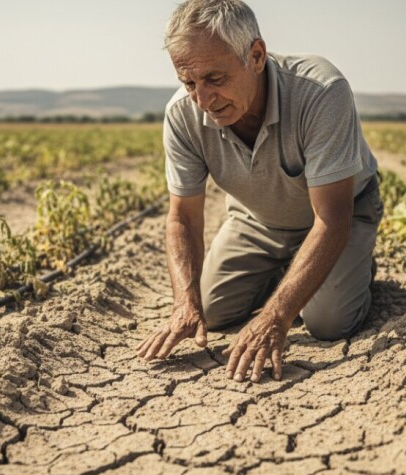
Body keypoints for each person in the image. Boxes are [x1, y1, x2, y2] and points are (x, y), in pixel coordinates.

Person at [136, 0, 382, 384]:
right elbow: (182, 216)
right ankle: (289, 273)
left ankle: (354, 269)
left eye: (214, 79)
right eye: (188, 82)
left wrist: (276, 317)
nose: (202, 100)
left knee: (329, 322)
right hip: (257, 220)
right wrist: (184, 302)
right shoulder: (183, 114)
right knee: (211, 311)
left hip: (335, 216)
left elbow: (333, 218)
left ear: (255, 55)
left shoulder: (321, 92)